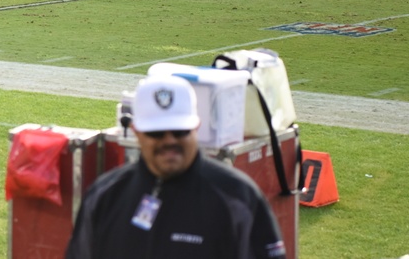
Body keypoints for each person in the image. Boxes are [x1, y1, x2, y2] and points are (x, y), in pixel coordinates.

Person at [66, 75, 285, 259]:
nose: (169, 141)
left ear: (196, 127)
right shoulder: (104, 195)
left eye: (179, 131)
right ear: (137, 132)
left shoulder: (238, 196)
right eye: (156, 132)